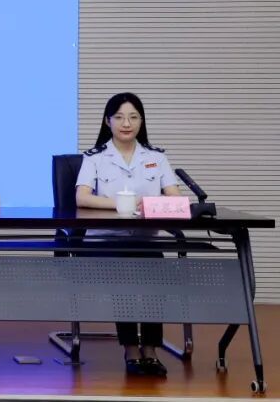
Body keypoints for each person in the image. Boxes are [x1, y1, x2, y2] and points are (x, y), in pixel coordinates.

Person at [76, 92, 181, 377]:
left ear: (141, 121)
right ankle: (131, 348)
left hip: (145, 240)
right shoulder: (95, 158)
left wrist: (152, 204)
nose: (126, 123)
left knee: (154, 275)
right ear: (107, 121)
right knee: (126, 275)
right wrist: (123, 204)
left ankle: (150, 349)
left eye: (133, 117)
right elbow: (82, 197)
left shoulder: (156, 157)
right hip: (105, 241)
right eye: (119, 117)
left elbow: (174, 197)